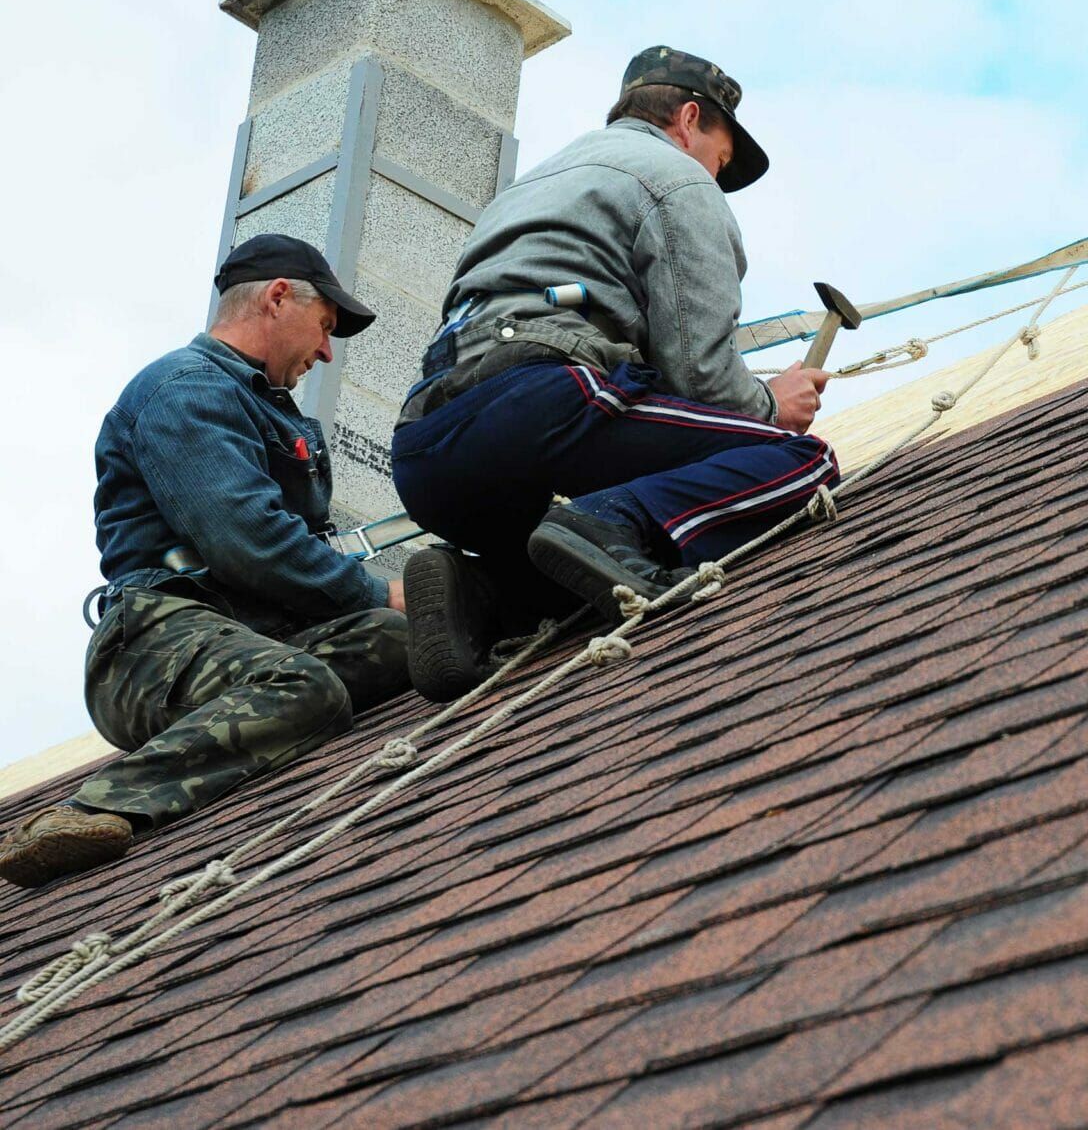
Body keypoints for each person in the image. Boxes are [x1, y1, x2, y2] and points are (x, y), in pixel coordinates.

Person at [391, 45, 836, 701]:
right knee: (799, 462)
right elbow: (702, 374)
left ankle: (481, 592)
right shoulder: (676, 179)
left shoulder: (529, 191)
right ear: (689, 119)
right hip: (540, 406)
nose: (716, 174)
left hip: (428, 453)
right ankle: (608, 519)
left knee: (579, 561)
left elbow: (561, 306)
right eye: (722, 157)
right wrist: (771, 405)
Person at [0, 234, 410, 888]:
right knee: (308, 686)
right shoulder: (184, 390)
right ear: (278, 297)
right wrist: (376, 591)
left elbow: (302, 557)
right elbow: (247, 538)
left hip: (252, 636)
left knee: (398, 641)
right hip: (153, 642)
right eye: (326, 327)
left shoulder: (273, 413)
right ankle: (90, 811)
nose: (328, 351)